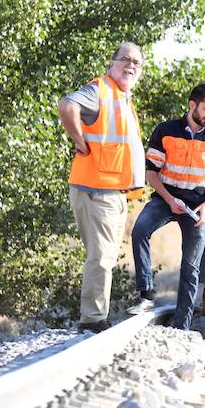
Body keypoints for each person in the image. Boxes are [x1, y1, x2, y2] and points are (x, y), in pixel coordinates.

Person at [59, 42, 146, 333]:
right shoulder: (100, 90)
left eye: (136, 62)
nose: (130, 66)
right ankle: (93, 319)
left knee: (103, 255)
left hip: (110, 190)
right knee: (101, 256)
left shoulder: (122, 97)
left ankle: (94, 316)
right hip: (98, 189)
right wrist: (78, 139)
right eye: (125, 60)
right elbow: (66, 105)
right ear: (112, 63)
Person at [128, 83, 205, 329]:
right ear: (191, 105)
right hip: (165, 199)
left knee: (191, 266)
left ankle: (181, 327)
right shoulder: (165, 131)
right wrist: (169, 198)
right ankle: (146, 295)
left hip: (198, 207)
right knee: (139, 230)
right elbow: (152, 173)